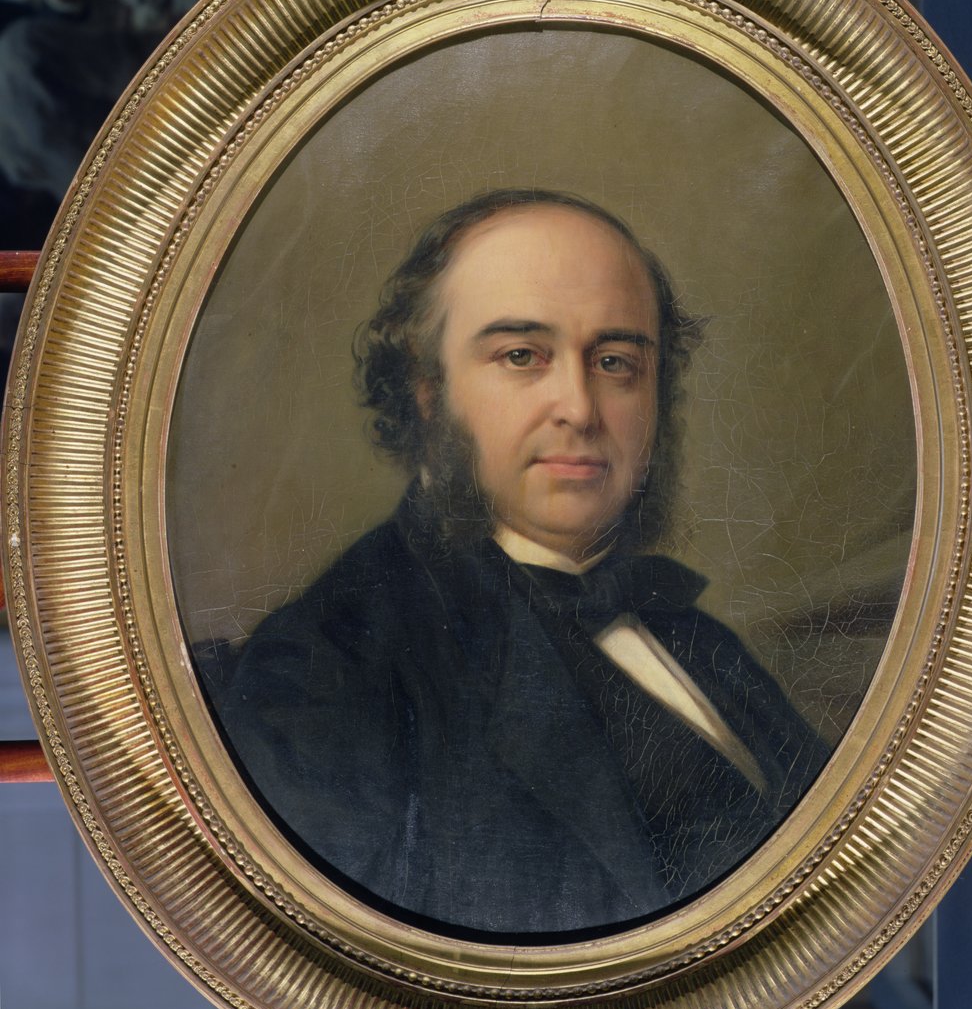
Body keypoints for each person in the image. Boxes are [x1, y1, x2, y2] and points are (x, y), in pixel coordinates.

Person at [209, 188, 829, 936]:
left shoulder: (697, 642)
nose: (580, 408)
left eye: (615, 362)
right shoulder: (325, 674)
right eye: (521, 356)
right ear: (427, 391)